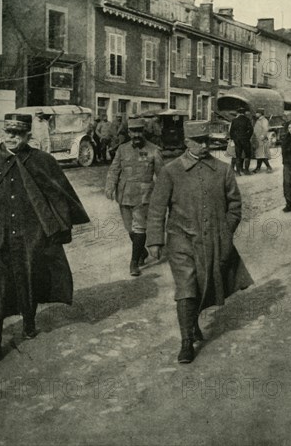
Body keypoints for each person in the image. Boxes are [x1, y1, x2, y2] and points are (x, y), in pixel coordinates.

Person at [0, 113, 89, 361]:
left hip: (30, 232)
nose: (11, 137)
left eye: (17, 134)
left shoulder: (43, 161)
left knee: (30, 275)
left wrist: (60, 228)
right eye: (7, 132)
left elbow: (59, 195)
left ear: (28, 135)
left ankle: (29, 322)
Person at [146, 120, 253, 364]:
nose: (204, 145)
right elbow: (156, 208)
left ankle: (192, 323)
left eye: (206, 140)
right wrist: (154, 240)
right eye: (198, 141)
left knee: (205, 283)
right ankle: (186, 342)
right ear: (187, 142)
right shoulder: (171, 171)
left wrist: (225, 231)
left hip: (213, 239)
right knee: (186, 286)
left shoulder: (223, 170)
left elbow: (235, 206)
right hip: (180, 239)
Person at [105, 117, 164, 277]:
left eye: (139, 131)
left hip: (144, 196)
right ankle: (142, 252)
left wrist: (163, 196)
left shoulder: (154, 150)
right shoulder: (122, 149)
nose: (136, 135)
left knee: (139, 228)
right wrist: (110, 185)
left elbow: (162, 177)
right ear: (129, 132)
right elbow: (114, 169)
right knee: (129, 228)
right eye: (133, 131)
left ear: (143, 132)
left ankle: (134, 262)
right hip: (124, 195)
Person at [229, 107, 254, 175]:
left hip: (237, 140)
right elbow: (251, 130)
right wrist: (247, 137)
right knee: (247, 155)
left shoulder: (234, 120)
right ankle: (246, 171)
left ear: (238, 113)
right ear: (244, 113)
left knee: (238, 155)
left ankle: (238, 172)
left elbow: (231, 131)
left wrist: (234, 138)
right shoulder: (247, 120)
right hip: (245, 139)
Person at [251, 108, 273, 173]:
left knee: (262, 155)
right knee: (259, 155)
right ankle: (258, 168)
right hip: (258, 140)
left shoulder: (264, 120)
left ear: (260, 114)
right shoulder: (259, 120)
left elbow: (265, 130)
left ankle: (269, 167)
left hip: (261, 140)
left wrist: (261, 137)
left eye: (257, 113)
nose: (256, 114)